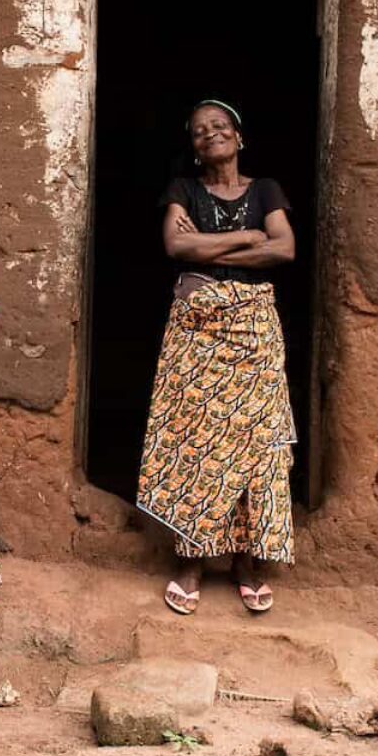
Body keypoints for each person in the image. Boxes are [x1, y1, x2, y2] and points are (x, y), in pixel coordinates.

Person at [136, 99, 297, 616]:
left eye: (221, 126)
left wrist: (213, 245)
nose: (212, 134)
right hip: (196, 328)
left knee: (255, 440)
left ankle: (247, 561)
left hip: (254, 328)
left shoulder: (266, 190)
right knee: (194, 439)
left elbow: (285, 250)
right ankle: (192, 559)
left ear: (240, 136)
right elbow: (176, 249)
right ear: (193, 145)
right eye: (200, 131)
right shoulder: (183, 189)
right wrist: (249, 237)